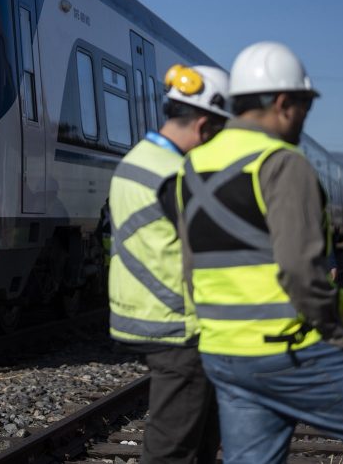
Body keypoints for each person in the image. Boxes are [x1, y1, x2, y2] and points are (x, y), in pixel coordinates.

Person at [169, 41, 343, 464]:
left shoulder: (190, 167)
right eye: (305, 106)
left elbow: (188, 265)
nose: (305, 116)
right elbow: (300, 269)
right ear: (283, 103)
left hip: (224, 355)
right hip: (289, 349)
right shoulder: (282, 162)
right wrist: (332, 331)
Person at [108, 63, 230, 464]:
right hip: (179, 325)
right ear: (204, 125)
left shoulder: (136, 161)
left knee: (195, 440)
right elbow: (210, 249)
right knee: (173, 450)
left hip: (147, 311)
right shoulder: (175, 174)